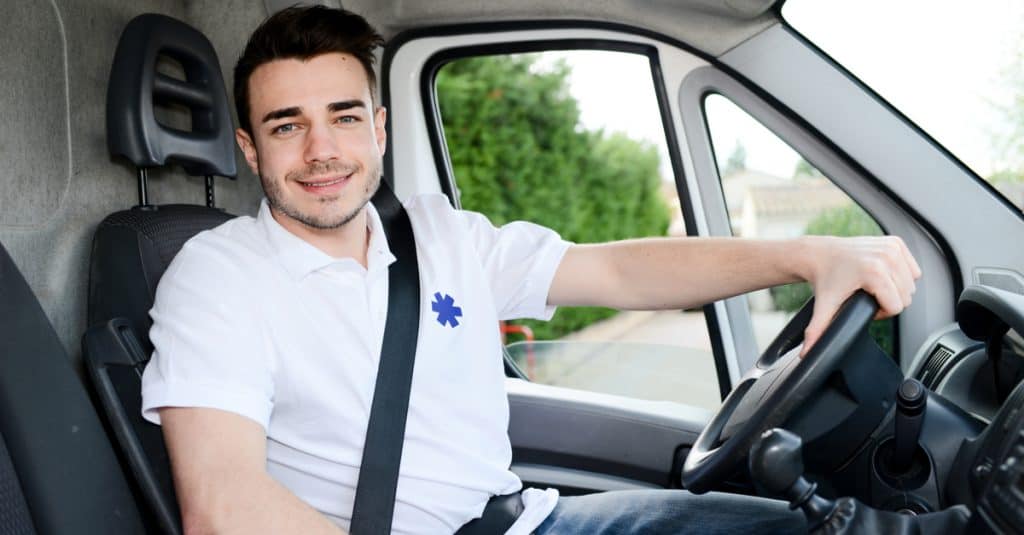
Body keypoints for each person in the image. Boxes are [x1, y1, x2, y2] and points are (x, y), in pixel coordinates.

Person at [140, 6, 921, 535]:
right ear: (249, 149)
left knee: (801, 527)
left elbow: (616, 275)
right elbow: (224, 507)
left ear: (377, 128)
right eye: (287, 126)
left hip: (531, 519)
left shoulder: (439, 233)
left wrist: (808, 254)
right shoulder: (217, 275)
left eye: (343, 117)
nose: (321, 152)